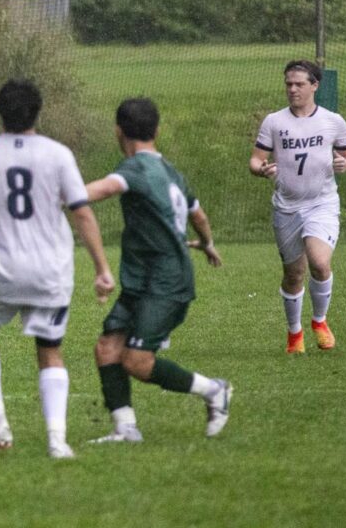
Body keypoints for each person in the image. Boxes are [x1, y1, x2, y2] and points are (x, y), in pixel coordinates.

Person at [0, 79, 112, 460]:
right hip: (51, 272)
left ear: (1, 113)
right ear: (38, 111)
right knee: (50, 349)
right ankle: (57, 440)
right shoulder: (58, 154)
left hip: (2, 272)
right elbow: (81, 212)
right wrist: (101, 268)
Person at [86, 97, 231, 443]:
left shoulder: (135, 170)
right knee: (107, 348)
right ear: (157, 131)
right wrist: (207, 243)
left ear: (118, 131)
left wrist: (55, 191)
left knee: (136, 361)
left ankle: (214, 391)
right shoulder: (170, 171)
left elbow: (101, 189)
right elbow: (198, 215)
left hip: (165, 282)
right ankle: (125, 429)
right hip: (143, 280)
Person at [249, 60, 346, 353]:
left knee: (320, 263)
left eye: (299, 84)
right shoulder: (274, 121)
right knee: (294, 274)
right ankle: (294, 334)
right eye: (288, 84)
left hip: (322, 203)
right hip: (286, 207)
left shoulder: (333, 121)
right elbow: (255, 159)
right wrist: (261, 169)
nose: (292, 89)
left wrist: (345, 163)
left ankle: (319, 322)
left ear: (314, 86)